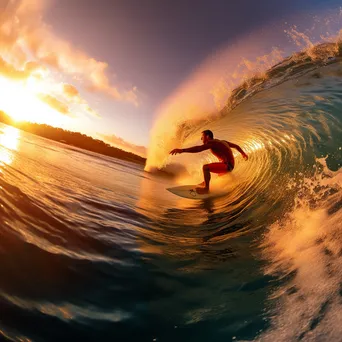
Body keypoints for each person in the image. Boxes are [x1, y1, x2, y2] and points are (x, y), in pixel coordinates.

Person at [169, 130, 248, 194]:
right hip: (228, 165)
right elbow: (236, 146)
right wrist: (243, 154)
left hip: (227, 165)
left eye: (202, 137)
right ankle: (205, 184)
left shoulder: (212, 143)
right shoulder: (222, 141)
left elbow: (198, 149)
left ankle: (206, 189)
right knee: (213, 179)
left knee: (205, 168)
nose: (201, 139)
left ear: (207, 136)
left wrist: (182, 150)